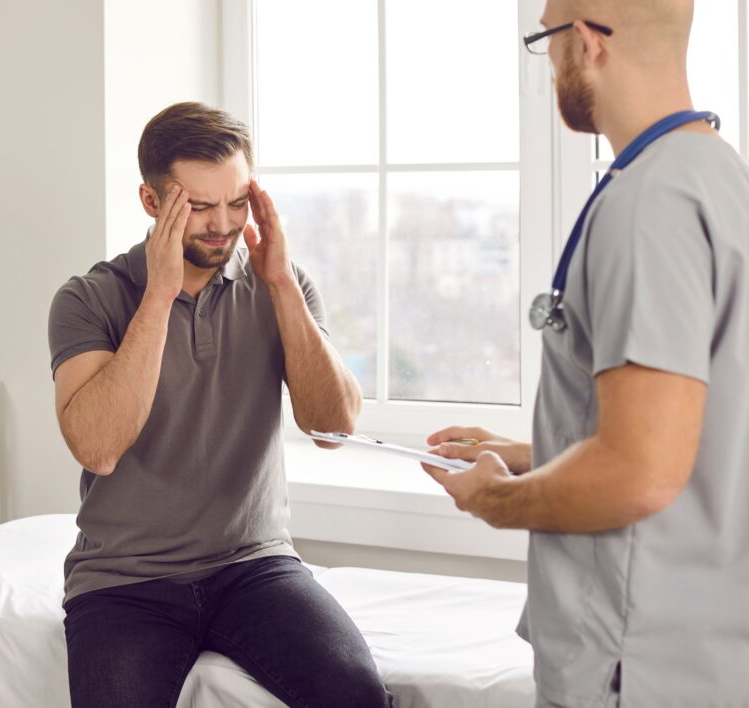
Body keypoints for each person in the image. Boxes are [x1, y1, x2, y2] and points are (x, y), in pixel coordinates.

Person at [421, 1, 749, 706]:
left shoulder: (649, 204)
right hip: (707, 649)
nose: (547, 68)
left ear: (588, 42)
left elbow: (638, 473)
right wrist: (528, 448)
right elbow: (683, 437)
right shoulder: (720, 176)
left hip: (633, 663)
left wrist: (493, 499)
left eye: (547, 42)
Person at [49, 102, 391, 707]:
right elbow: (97, 449)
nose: (222, 225)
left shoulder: (280, 282)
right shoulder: (89, 298)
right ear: (152, 203)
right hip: (124, 580)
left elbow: (333, 429)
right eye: (199, 207)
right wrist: (159, 295)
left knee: (357, 693)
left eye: (237, 203)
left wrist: (282, 285)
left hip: (253, 566)